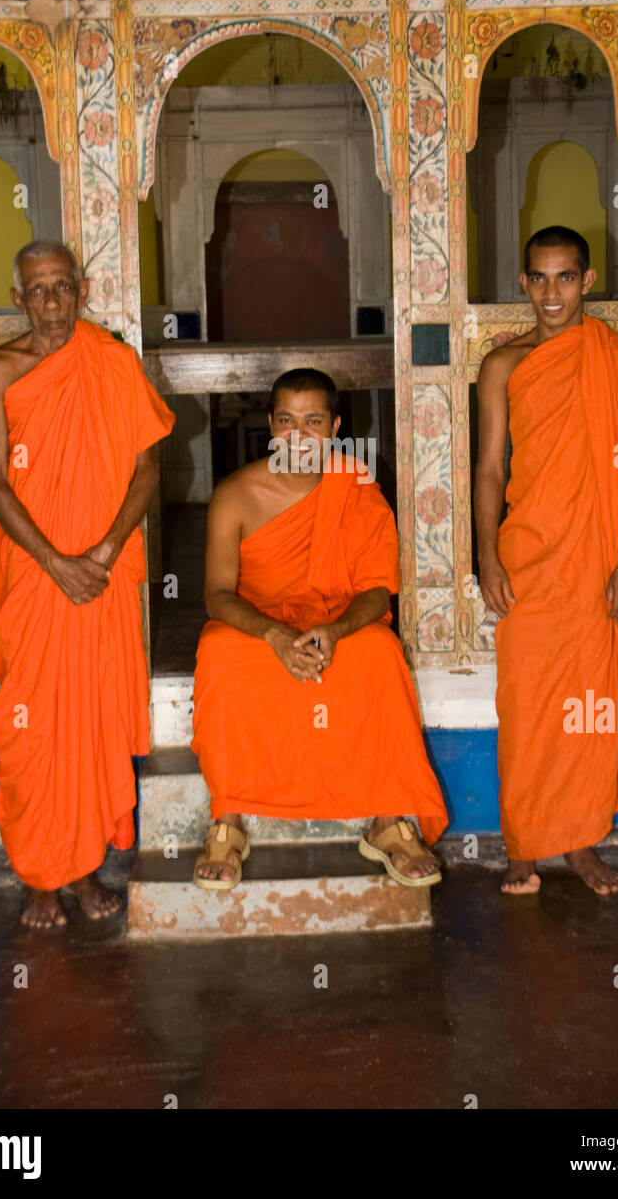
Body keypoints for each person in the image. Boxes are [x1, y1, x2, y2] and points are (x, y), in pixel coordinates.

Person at [475, 227, 618, 896]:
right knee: (525, 705)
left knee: (587, 703)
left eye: (565, 278)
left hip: (597, 560)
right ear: (522, 282)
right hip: (529, 556)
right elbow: (489, 468)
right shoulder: (503, 365)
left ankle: (577, 845)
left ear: (587, 279)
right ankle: (524, 845)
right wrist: (485, 552)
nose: (551, 293)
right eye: (539, 279)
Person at [0, 240, 175, 928]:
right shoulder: (1, 368)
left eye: (63, 286)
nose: (52, 303)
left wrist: (104, 550)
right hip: (36, 572)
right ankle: (39, 877)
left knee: (91, 719)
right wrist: (56, 562)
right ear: (18, 299)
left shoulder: (112, 362)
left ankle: (87, 869)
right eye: (37, 290)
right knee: (32, 727)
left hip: (103, 568)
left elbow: (146, 470)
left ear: (82, 289)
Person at [191, 368, 448, 890]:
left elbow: (378, 589)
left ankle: (387, 820)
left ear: (334, 429)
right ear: (269, 424)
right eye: (286, 420)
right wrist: (273, 635)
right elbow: (216, 595)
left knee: (377, 651)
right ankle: (230, 817)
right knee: (218, 652)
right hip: (262, 624)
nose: (299, 436)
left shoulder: (355, 486)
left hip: (333, 618)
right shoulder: (236, 494)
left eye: (313, 422)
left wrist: (333, 631)